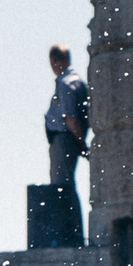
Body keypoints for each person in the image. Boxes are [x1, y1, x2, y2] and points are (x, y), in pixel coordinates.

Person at [46, 44, 90, 193]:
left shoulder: (65, 84)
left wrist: (81, 143)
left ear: (54, 61)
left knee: (61, 186)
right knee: (66, 183)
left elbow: (71, 118)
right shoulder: (78, 82)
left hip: (64, 139)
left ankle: (66, 216)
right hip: (70, 138)